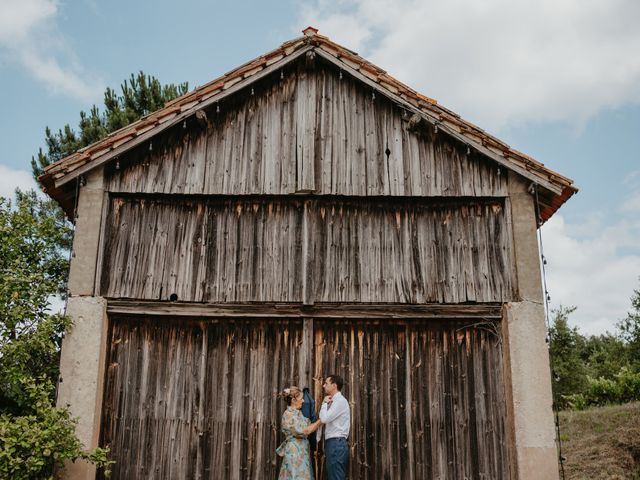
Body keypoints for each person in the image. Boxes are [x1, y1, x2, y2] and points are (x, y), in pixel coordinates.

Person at [277, 386, 322, 480]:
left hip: (302, 451)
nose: (303, 401)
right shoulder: (288, 414)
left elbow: (310, 425)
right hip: (294, 453)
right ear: (293, 400)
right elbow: (306, 431)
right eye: (301, 399)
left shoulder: (299, 414)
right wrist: (322, 420)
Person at [319, 374, 350, 480]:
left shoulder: (340, 401)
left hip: (336, 444)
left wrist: (323, 403)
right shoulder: (334, 401)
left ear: (334, 386)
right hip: (334, 444)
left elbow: (324, 419)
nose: (323, 386)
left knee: (336, 477)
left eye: (326, 383)